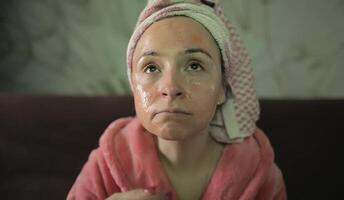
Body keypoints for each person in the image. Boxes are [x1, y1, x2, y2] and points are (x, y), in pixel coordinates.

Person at [67, 0, 287, 199]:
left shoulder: (259, 173)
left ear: (223, 87)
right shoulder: (106, 165)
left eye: (194, 65)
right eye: (151, 67)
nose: (171, 88)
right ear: (133, 85)